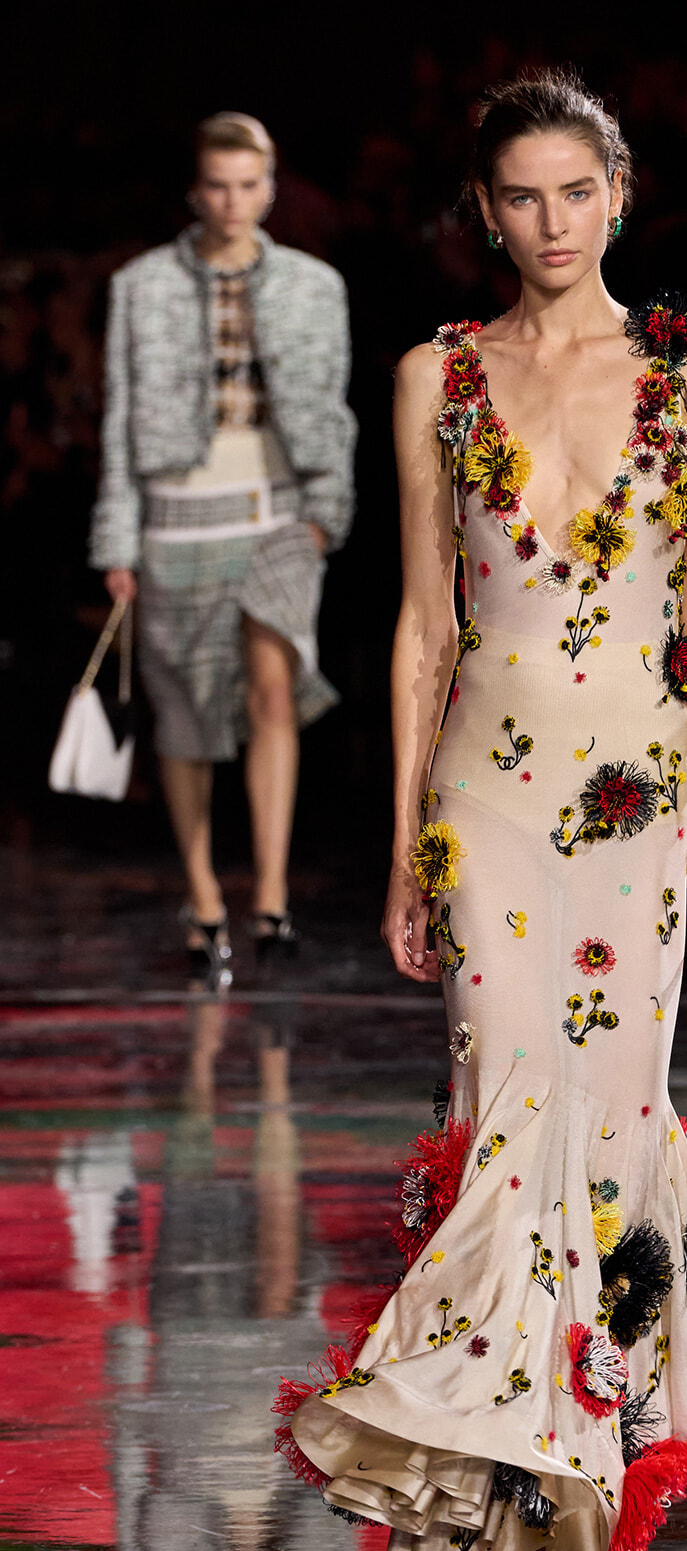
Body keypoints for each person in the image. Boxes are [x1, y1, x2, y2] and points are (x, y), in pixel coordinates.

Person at [275, 70, 687, 1551]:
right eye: (520, 198)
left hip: (638, 792)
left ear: (617, 193)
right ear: (485, 214)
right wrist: (410, 838)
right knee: (504, 1120)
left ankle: (585, 1528)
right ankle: (516, 1499)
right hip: (485, 794)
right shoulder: (439, 373)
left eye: (575, 191)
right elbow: (423, 620)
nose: (550, 223)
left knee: (610, 1141)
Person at [90, 112, 356, 980]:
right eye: (217, 185)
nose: (233, 201)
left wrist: (327, 511)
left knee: (273, 693)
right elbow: (121, 419)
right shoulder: (141, 286)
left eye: (249, 185)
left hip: (276, 507)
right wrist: (117, 539)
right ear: (194, 190)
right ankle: (205, 892)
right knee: (187, 714)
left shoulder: (316, 285)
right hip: (177, 514)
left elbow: (333, 409)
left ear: (271, 189)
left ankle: (272, 895)